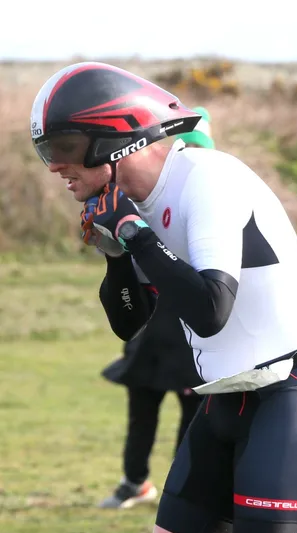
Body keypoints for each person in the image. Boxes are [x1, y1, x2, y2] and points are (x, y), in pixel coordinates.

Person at [31, 61, 297, 533]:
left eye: (68, 146)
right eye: (46, 150)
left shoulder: (206, 179)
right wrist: (119, 252)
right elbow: (130, 322)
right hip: (228, 396)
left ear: (119, 140)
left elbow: (210, 310)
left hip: (294, 389)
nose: (57, 166)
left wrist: (135, 236)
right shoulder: (133, 202)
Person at [97, 105, 216, 510]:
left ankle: (181, 488)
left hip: (190, 329)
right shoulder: (147, 198)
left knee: (193, 415)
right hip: (151, 329)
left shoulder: (207, 201)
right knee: (142, 407)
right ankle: (134, 481)